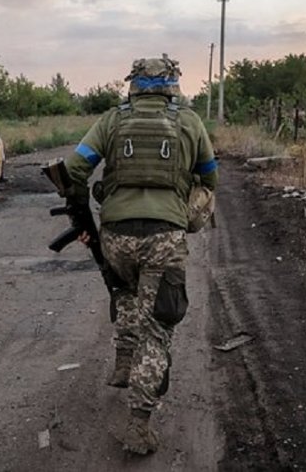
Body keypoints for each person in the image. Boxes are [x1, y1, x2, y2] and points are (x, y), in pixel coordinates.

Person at [64, 54, 218, 454]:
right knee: (159, 328)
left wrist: (83, 218)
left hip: (116, 236)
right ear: (173, 85)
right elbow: (210, 177)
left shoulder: (112, 120)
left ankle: (123, 362)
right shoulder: (189, 121)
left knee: (127, 293)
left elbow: (74, 168)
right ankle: (138, 425)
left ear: (132, 84)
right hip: (164, 238)